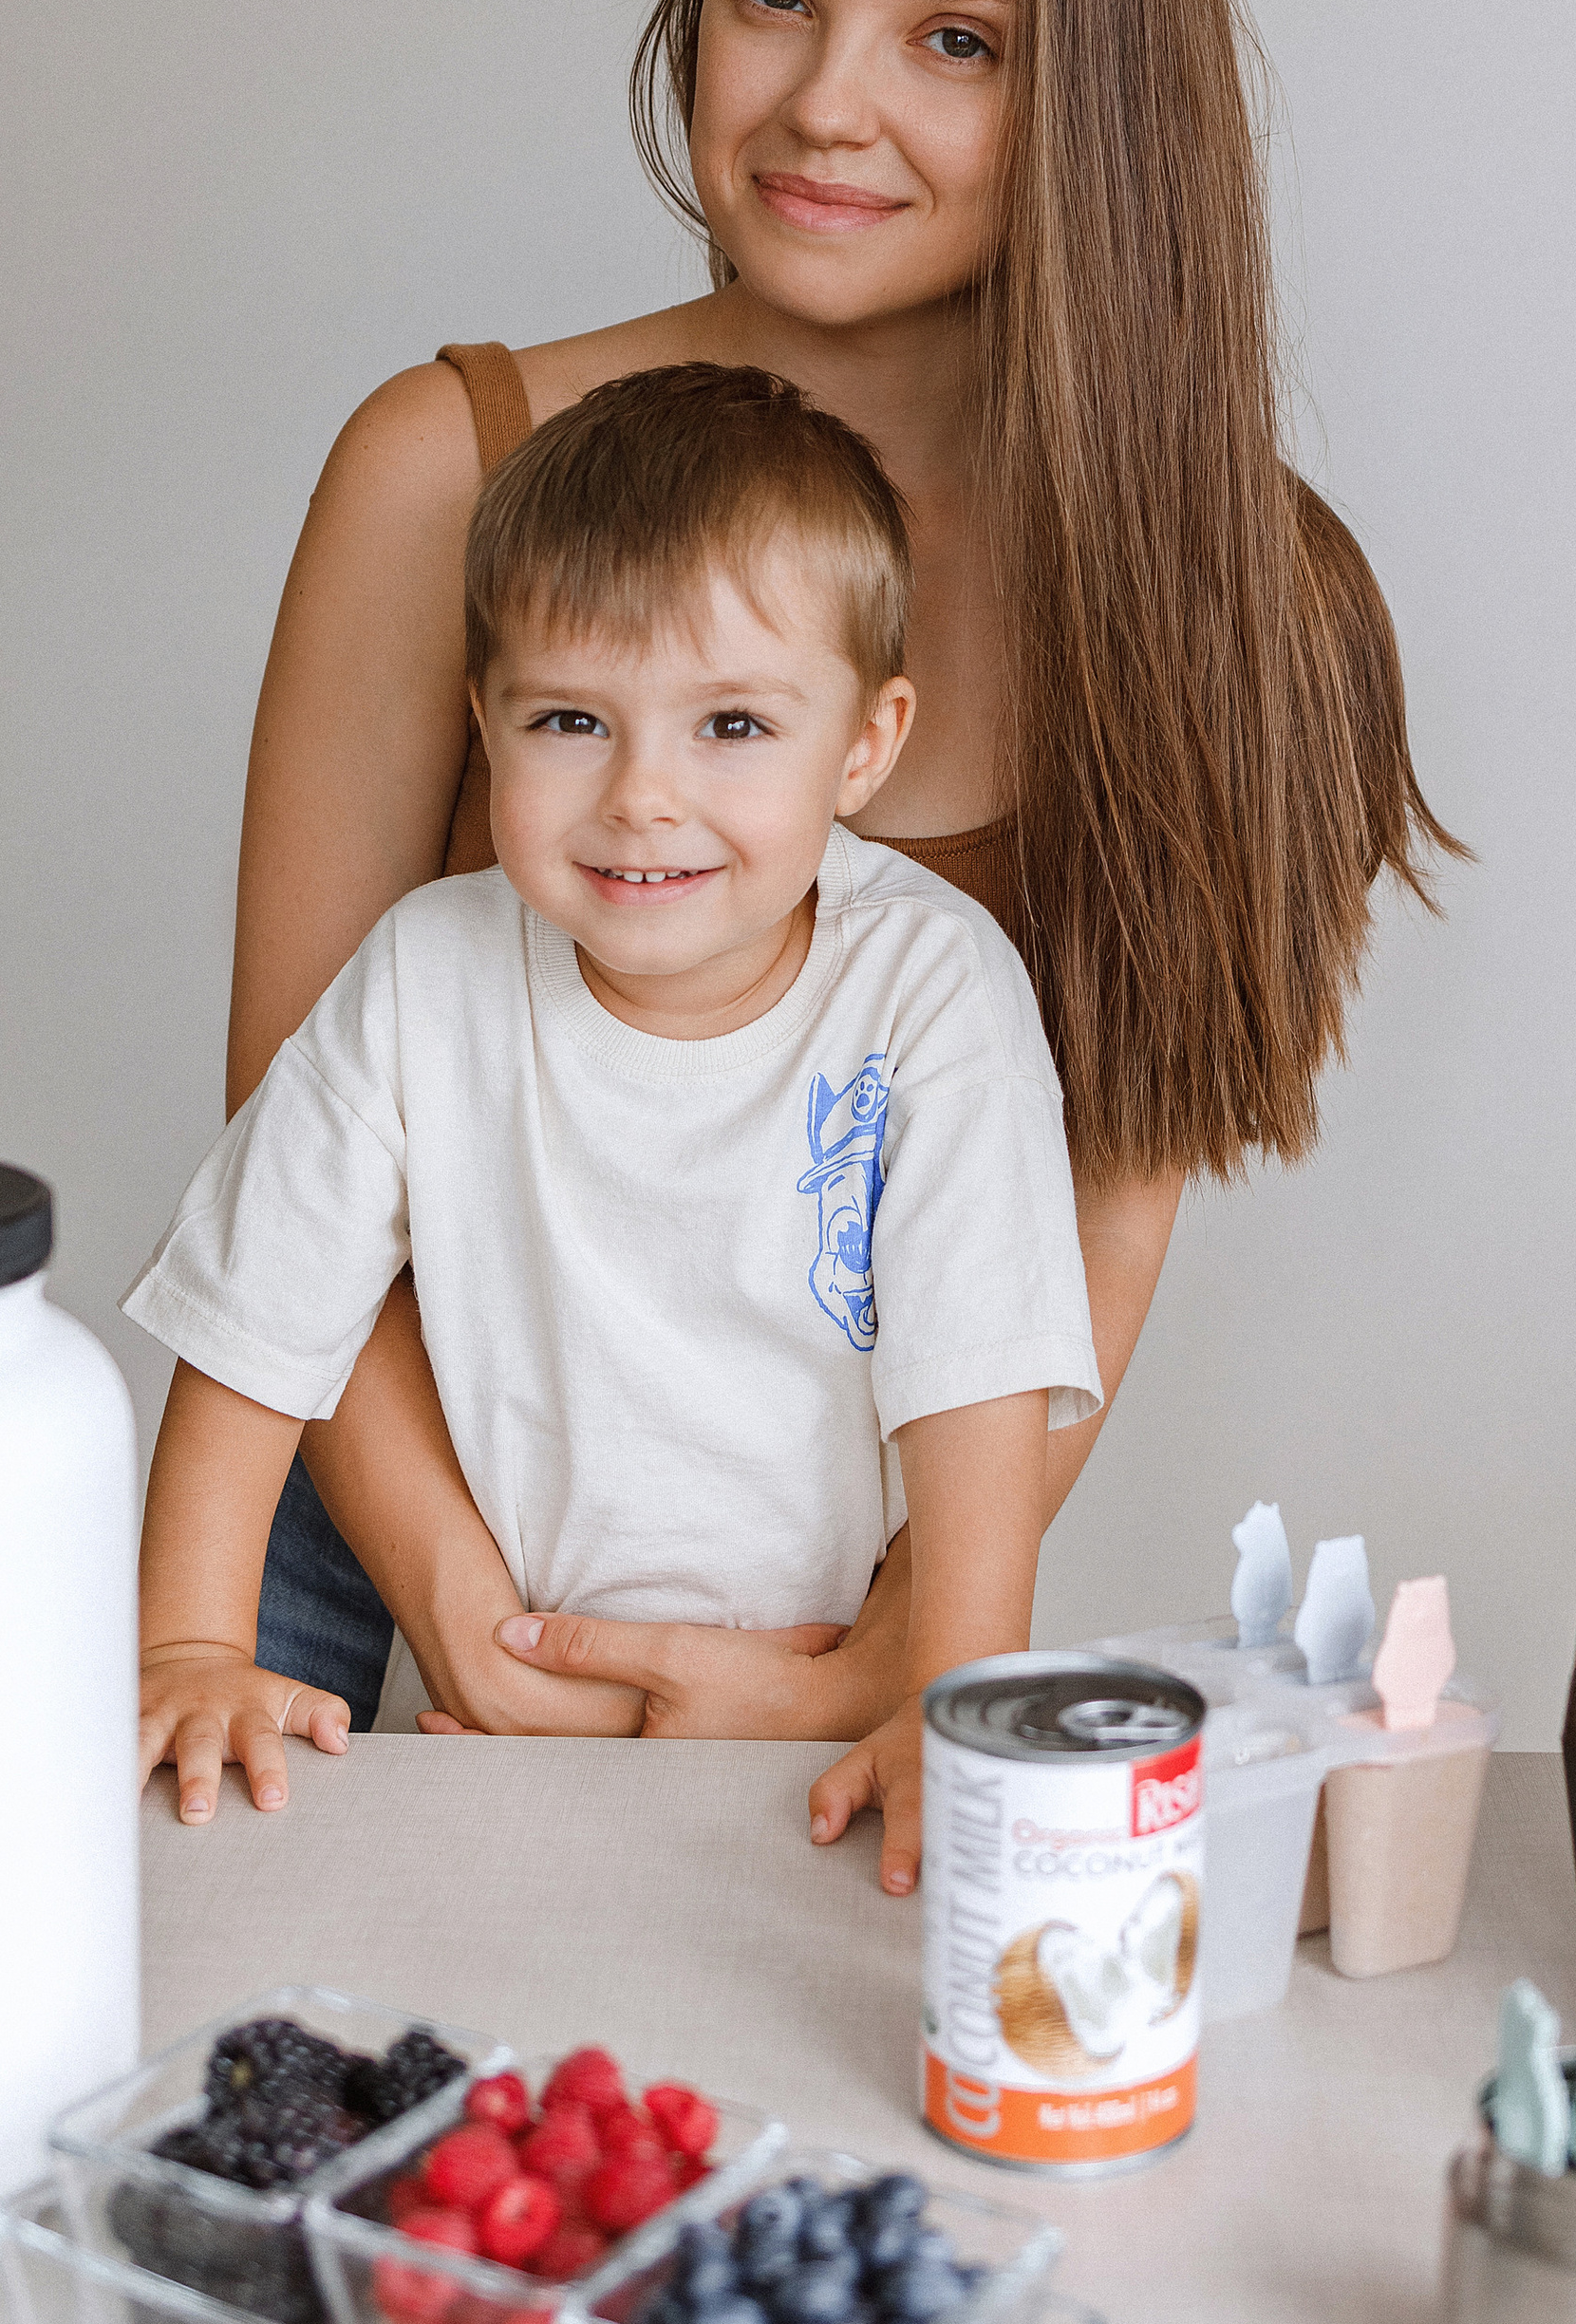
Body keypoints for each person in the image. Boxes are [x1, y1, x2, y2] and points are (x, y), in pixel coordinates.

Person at [231, 0, 1457, 1888]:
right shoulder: (446, 470)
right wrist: (460, 1617)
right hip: (379, 1587)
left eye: (955, 42)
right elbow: (295, 1140)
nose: (822, 106)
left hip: (849, 1617)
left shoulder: (1238, 590)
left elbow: (1100, 1201)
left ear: (1101, 94)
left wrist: (886, 1640)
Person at [129, 363, 1099, 1824]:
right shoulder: (424, 980)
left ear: (867, 742)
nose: (643, 794)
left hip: (810, 1729)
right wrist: (192, 1644)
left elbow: (978, 1383)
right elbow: (251, 1328)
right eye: (572, 721)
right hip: (483, 1726)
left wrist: (941, 1695)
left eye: (732, 726)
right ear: (487, 717)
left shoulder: (933, 993)